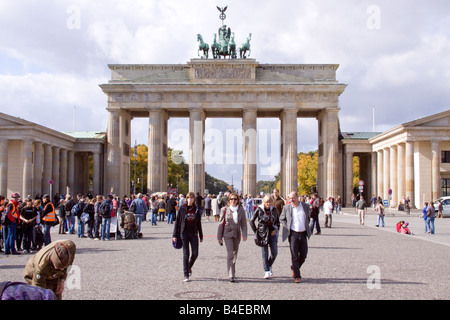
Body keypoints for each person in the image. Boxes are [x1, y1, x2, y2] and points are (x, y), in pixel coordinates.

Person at [280, 191, 311, 283]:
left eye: (293, 198)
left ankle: (294, 267)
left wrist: (306, 226)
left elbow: (308, 218)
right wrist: (287, 226)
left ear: (297, 197)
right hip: (293, 234)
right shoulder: (286, 207)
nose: (291, 199)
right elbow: (281, 218)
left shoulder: (305, 206)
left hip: (303, 233)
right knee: (294, 255)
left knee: (304, 255)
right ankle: (297, 276)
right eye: (290, 198)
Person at [173, 192, 203, 282]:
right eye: (189, 198)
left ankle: (189, 266)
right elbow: (177, 221)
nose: (190, 199)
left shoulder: (196, 209)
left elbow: (199, 223)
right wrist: (175, 235)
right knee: (186, 254)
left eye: (192, 198)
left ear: (194, 199)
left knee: (195, 253)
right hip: (184, 233)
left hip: (193, 233)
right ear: (186, 199)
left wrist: (201, 235)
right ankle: (185, 274)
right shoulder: (182, 208)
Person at [217, 193, 247, 282]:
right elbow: (220, 223)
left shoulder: (241, 210)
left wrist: (244, 234)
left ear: (238, 200)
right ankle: (230, 274)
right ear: (229, 201)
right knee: (230, 253)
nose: (233, 201)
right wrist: (219, 236)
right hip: (227, 234)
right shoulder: (224, 209)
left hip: (237, 234)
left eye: (235, 199)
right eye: (231, 199)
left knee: (235, 253)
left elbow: (244, 224)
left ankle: (233, 271)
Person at [250, 195, 279, 279]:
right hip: (262, 234)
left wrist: (276, 230)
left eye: (270, 202)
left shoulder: (274, 210)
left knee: (274, 253)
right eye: (267, 202)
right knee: (264, 254)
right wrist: (256, 231)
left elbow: (277, 222)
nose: (268, 203)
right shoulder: (259, 209)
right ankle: (266, 271)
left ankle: (269, 265)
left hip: (272, 233)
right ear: (264, 202)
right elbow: (251, 220)